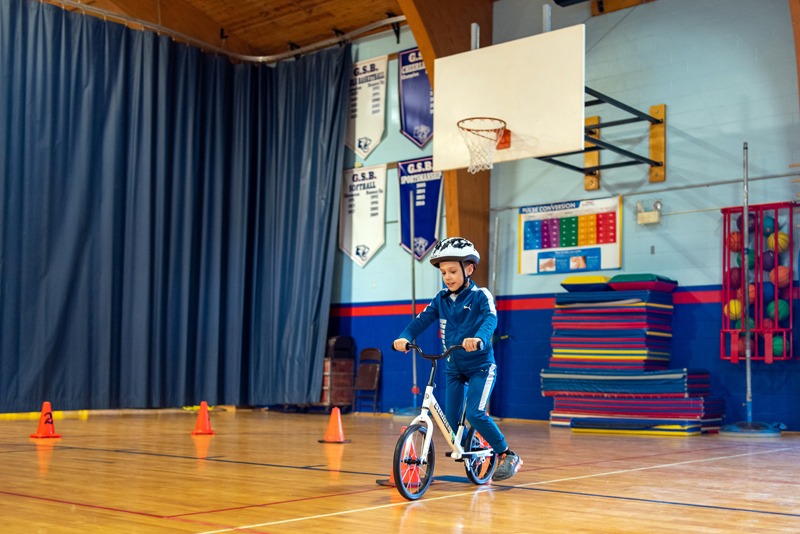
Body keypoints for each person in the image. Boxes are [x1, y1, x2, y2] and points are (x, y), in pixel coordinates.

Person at [393, 237, 522, 482]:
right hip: (453, 367)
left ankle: (507, 454)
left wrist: (479, 338)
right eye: (444, 273)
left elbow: (490, 320)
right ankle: (469, 450)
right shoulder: (441, 299)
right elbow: (420, 320)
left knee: (474, 413)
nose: (448, 277)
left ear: (469, 269)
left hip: (481, 367)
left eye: (453, 271)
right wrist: (404, 337)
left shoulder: (481, 295)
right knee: (450, 425)